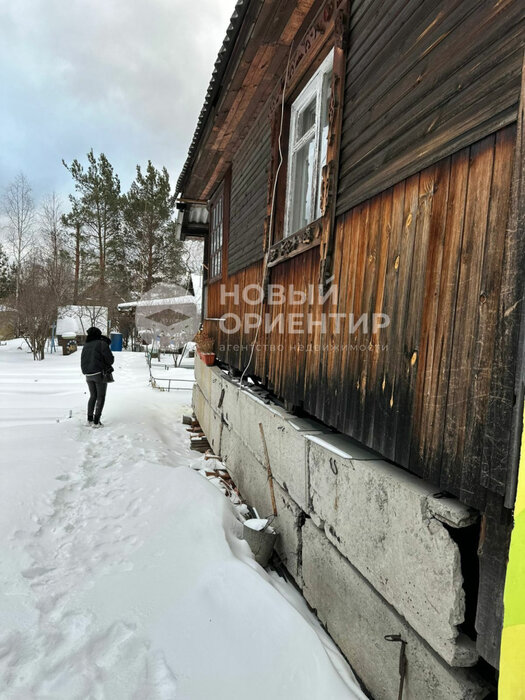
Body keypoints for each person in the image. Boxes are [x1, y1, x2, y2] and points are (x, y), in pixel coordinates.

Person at [81, 327, 114, 427]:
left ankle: (89, 419)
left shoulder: (86, 345)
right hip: (99, 374)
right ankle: (96, 421)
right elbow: (110, 360)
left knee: (93, 396)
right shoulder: (101, 343)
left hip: (88, 375)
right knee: (101, 397)